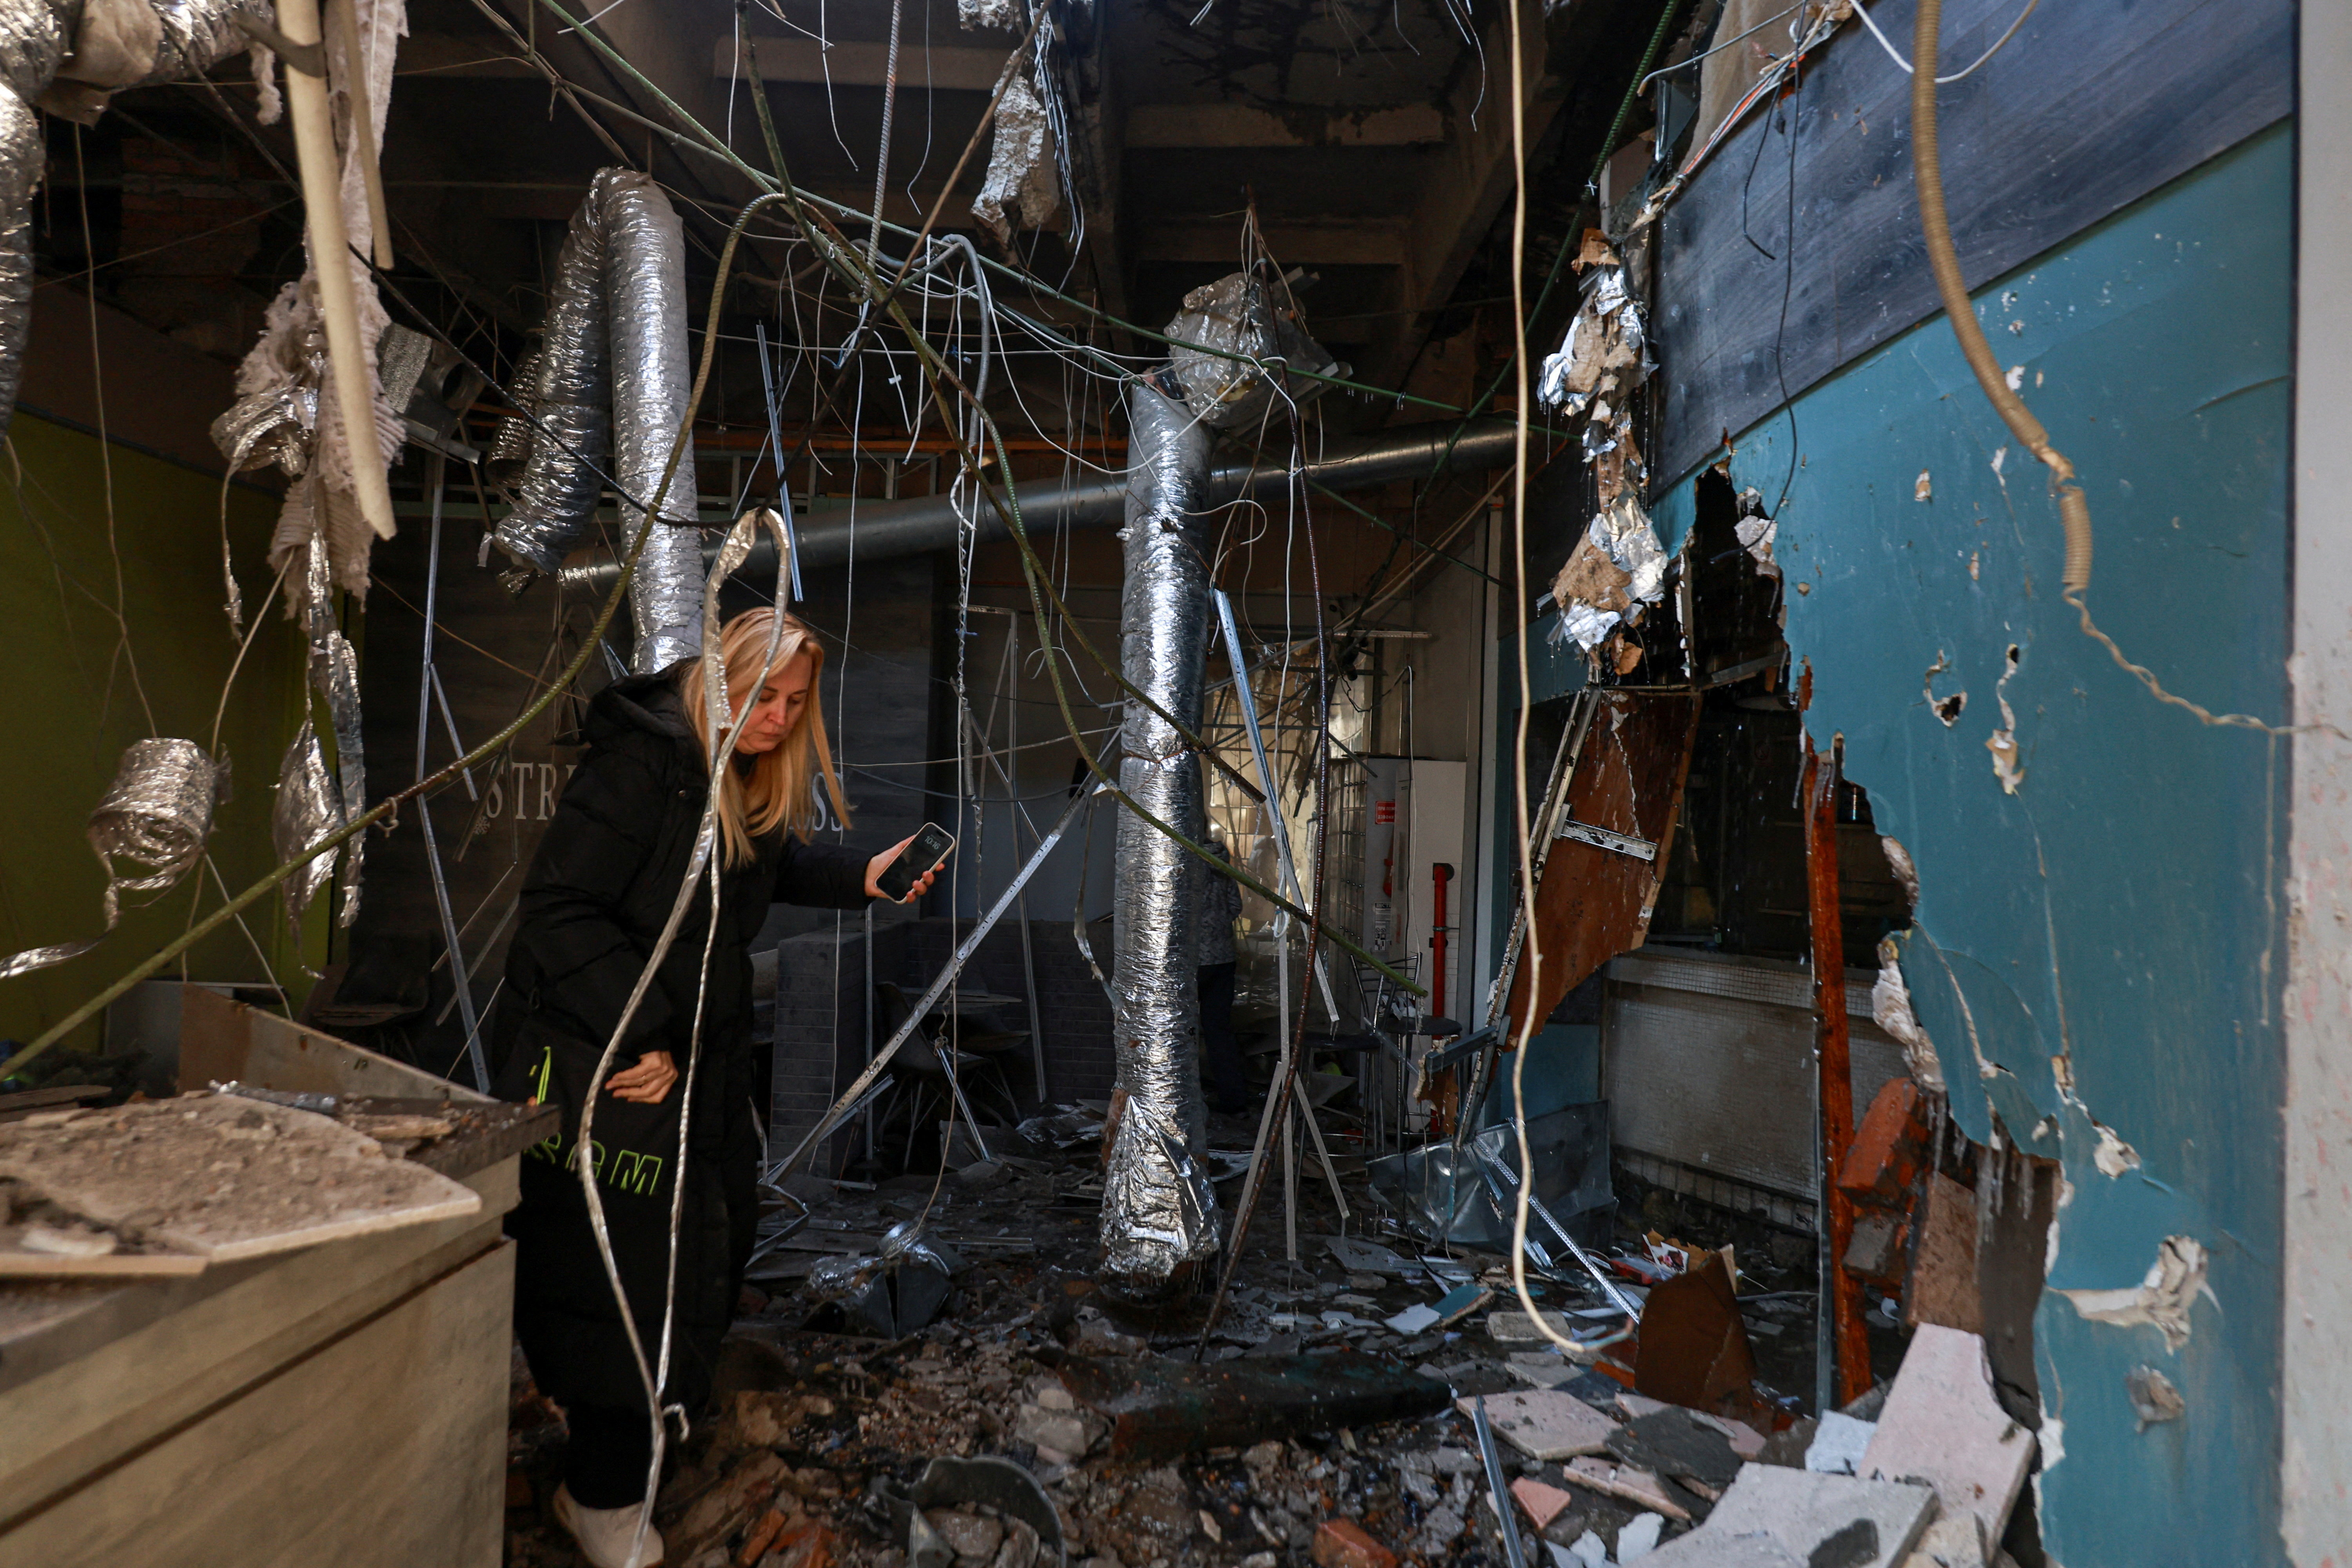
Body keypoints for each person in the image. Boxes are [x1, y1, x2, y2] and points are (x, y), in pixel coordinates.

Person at [493, 608, 938, 1568]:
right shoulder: (644, 763)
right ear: (717, 677)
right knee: (621, 1279)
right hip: (608, 1057)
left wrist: (864, 873)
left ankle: (632, 1455)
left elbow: (759, 865)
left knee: (705, 1244)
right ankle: (600, 1492)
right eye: (760, 694)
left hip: (692, 1060)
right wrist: (644, 1028)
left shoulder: (735, 771)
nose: (777, 716)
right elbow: (558, 912)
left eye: (794, 701)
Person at [1196, 837, 1249, 1116]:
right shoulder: (1222, 862)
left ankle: (1184, 1096)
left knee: (1181, 1029)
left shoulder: (1187, 860)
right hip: (1223, 959)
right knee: (1219, 1031)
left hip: (1192, 961)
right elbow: (1235, 907)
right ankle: (1234, 1101)